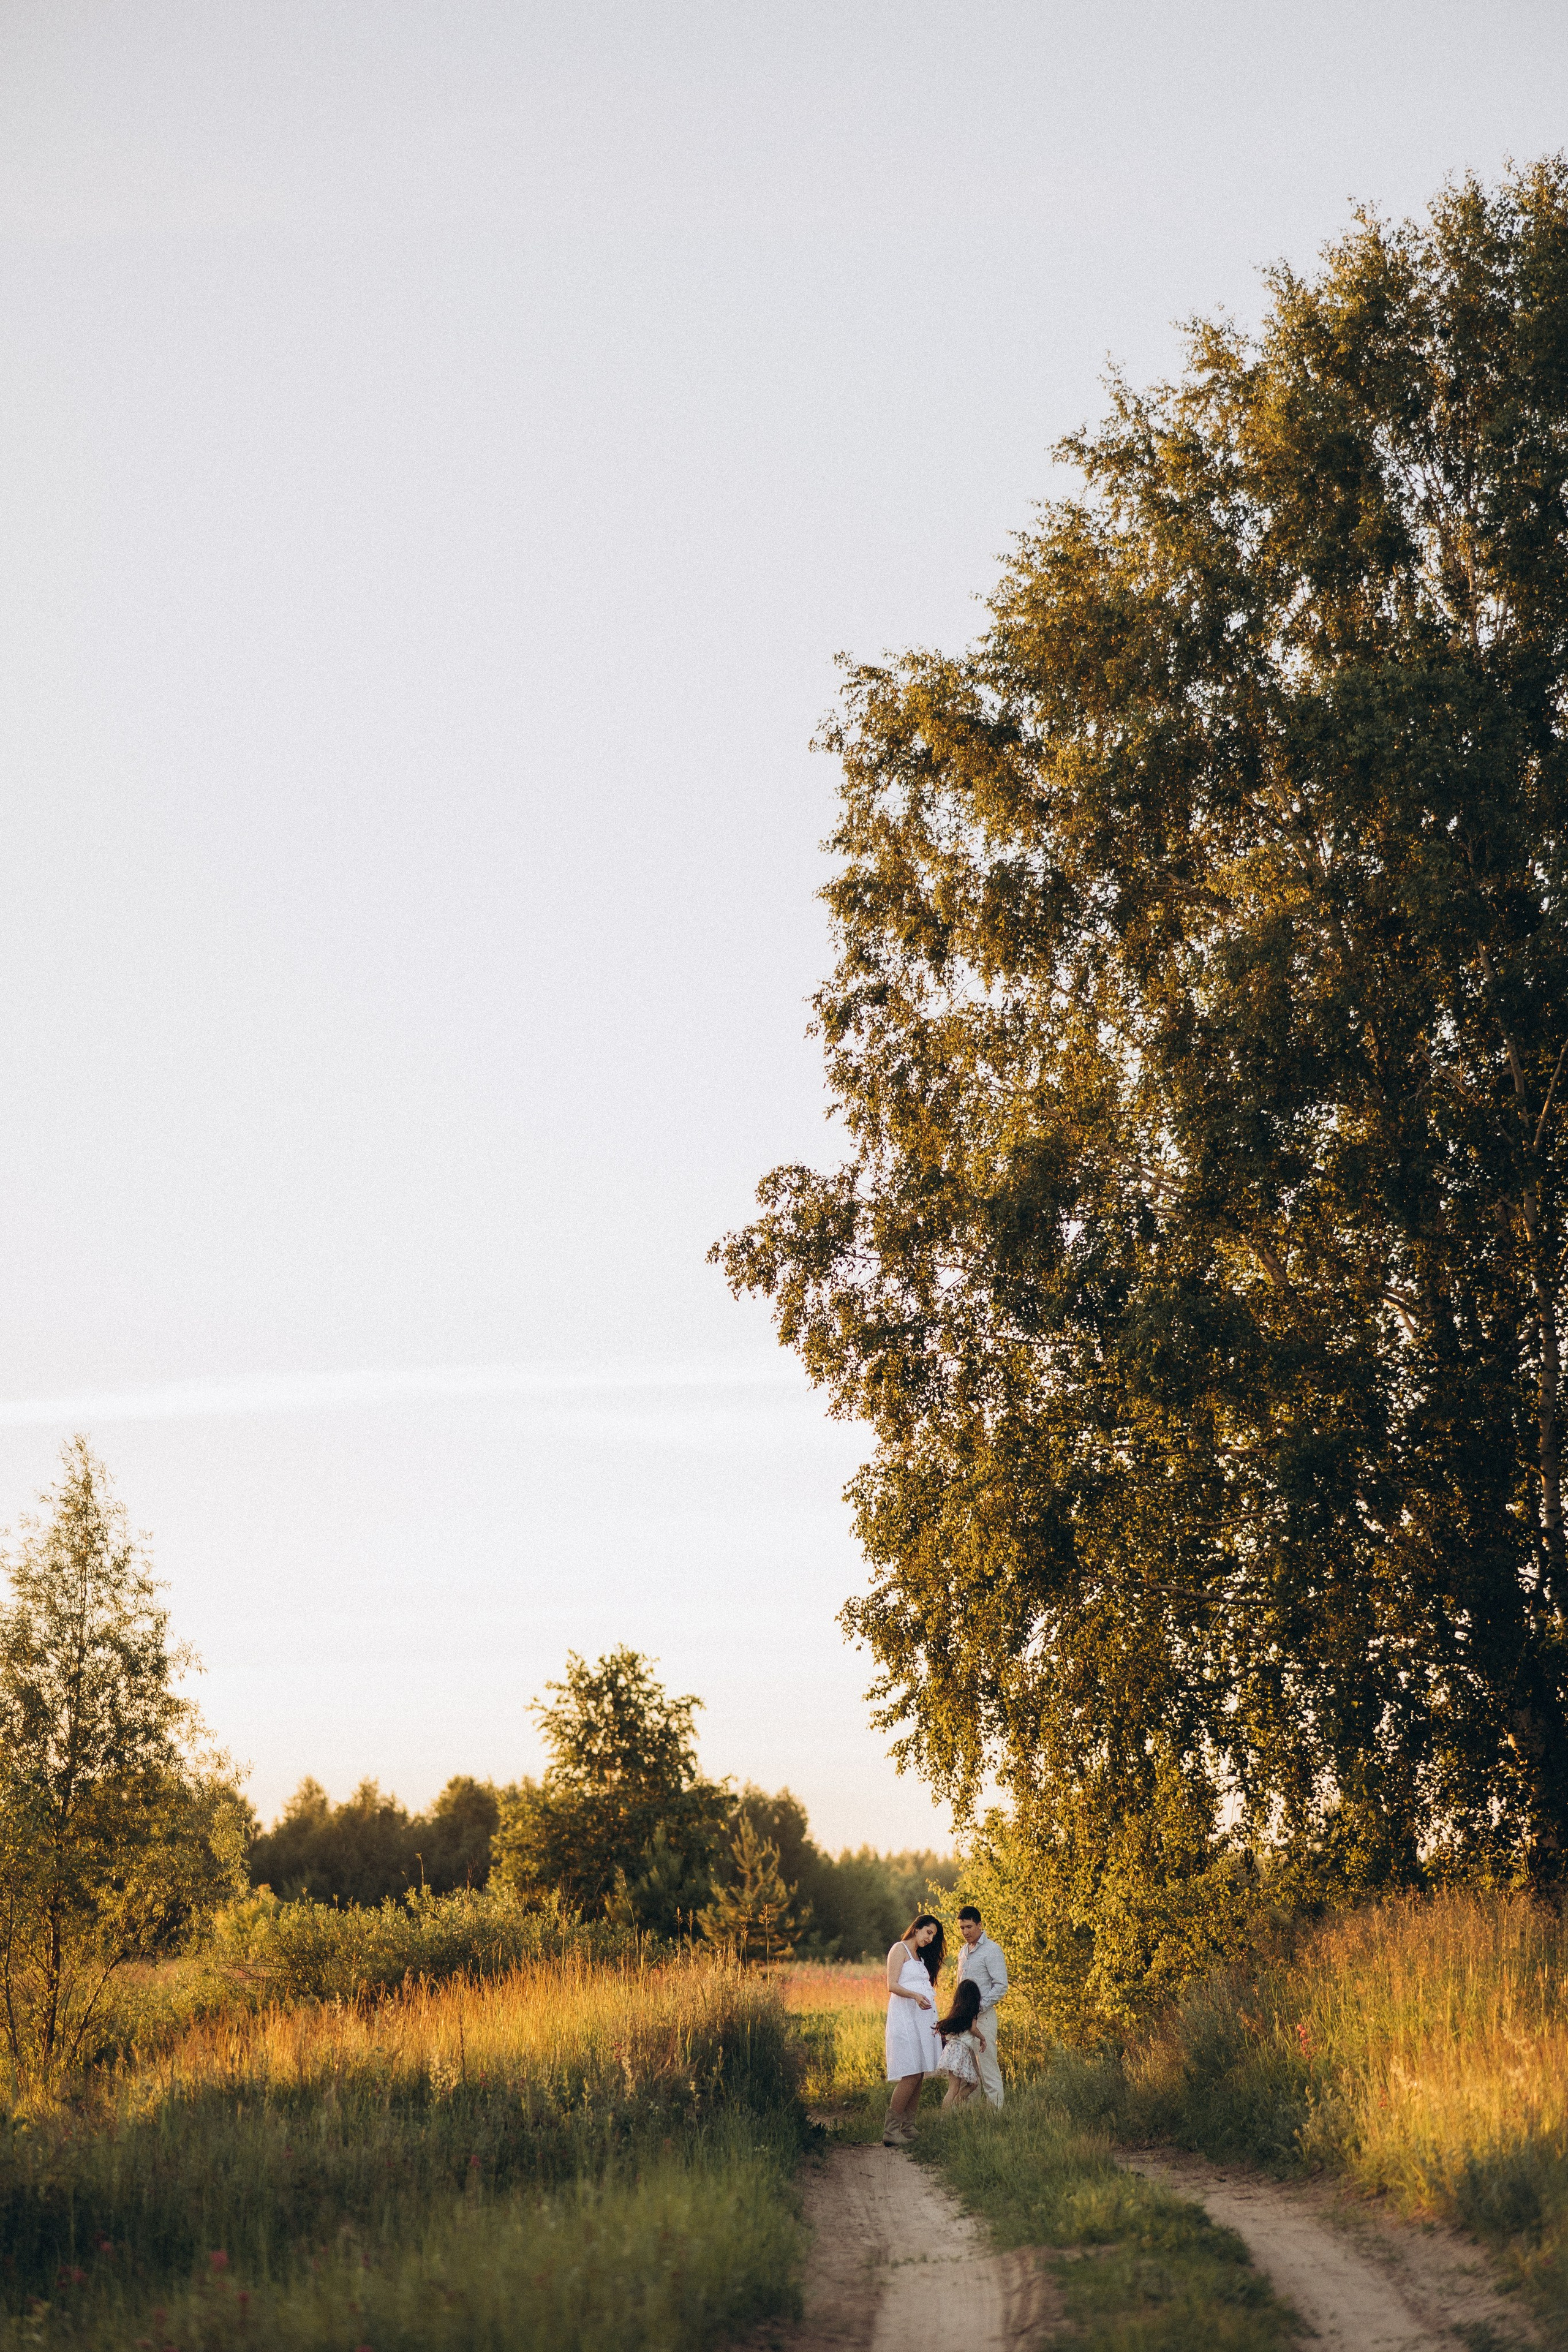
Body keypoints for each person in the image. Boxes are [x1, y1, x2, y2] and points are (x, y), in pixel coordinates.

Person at [882, 1912, 944, 2144]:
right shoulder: (900, 1949)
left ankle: (908, 2127)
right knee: (910, 2073)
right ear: (917, 1928)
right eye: (928, 1932)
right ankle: (891, 2130)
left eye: (933, 1936)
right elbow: (892, 1984)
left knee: (919, 2073)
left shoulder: (920, 1958)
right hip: (905, 2019)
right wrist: (915, 1996)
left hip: (921, 2023)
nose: (930, 1939)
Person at [954, 1903, 1008, 2108]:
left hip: (982, 2018)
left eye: (969, 1927)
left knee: (988, 2068)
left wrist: (977, 2009)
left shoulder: (992, 1950)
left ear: (980, 1925)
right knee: (968, 2070)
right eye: (962, 1928)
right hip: (963, 2020)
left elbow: (1001, 1986)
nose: (966, 1932)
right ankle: (972, 2116)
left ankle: (997, 2116)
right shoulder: (963, 1951)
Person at [934, 1975, 986, 2108]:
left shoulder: (957, 2011)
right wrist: (982, 2038)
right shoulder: (973, 2012)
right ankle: (945, 2118)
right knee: (955, 2088)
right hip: (960, 2051)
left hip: (954, 2049)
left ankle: (953, 2109)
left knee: (972, 2083)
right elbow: (973, 2029)